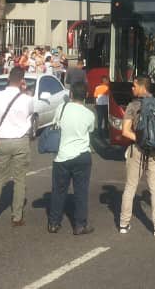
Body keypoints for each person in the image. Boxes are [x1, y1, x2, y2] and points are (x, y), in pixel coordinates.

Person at [0, 66, 35, 227]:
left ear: (8, 79)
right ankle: (17, 216)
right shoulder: (27, 99)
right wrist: (25, 91)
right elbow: (30, 115)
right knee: (19, 179)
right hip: (21, 140)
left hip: (3, 140)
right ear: (22, 81)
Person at [118, 76, 155, 236]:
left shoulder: (133, 105)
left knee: (130, 186)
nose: (132, 89)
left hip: (138, 150)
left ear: (142, 87)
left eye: (134, 86)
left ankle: (124, 224)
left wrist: (140, 139)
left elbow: (125, 131)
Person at [47, 83, 96, 235]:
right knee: (81, 191)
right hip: (82, 155)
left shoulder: (61, 108)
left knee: (58, 190)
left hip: (62, 156)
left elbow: (56, 124)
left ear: (71, 94)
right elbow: (91, 130)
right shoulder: (89, 114)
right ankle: (80, 225)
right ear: (86, 95)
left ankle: (54, 223)